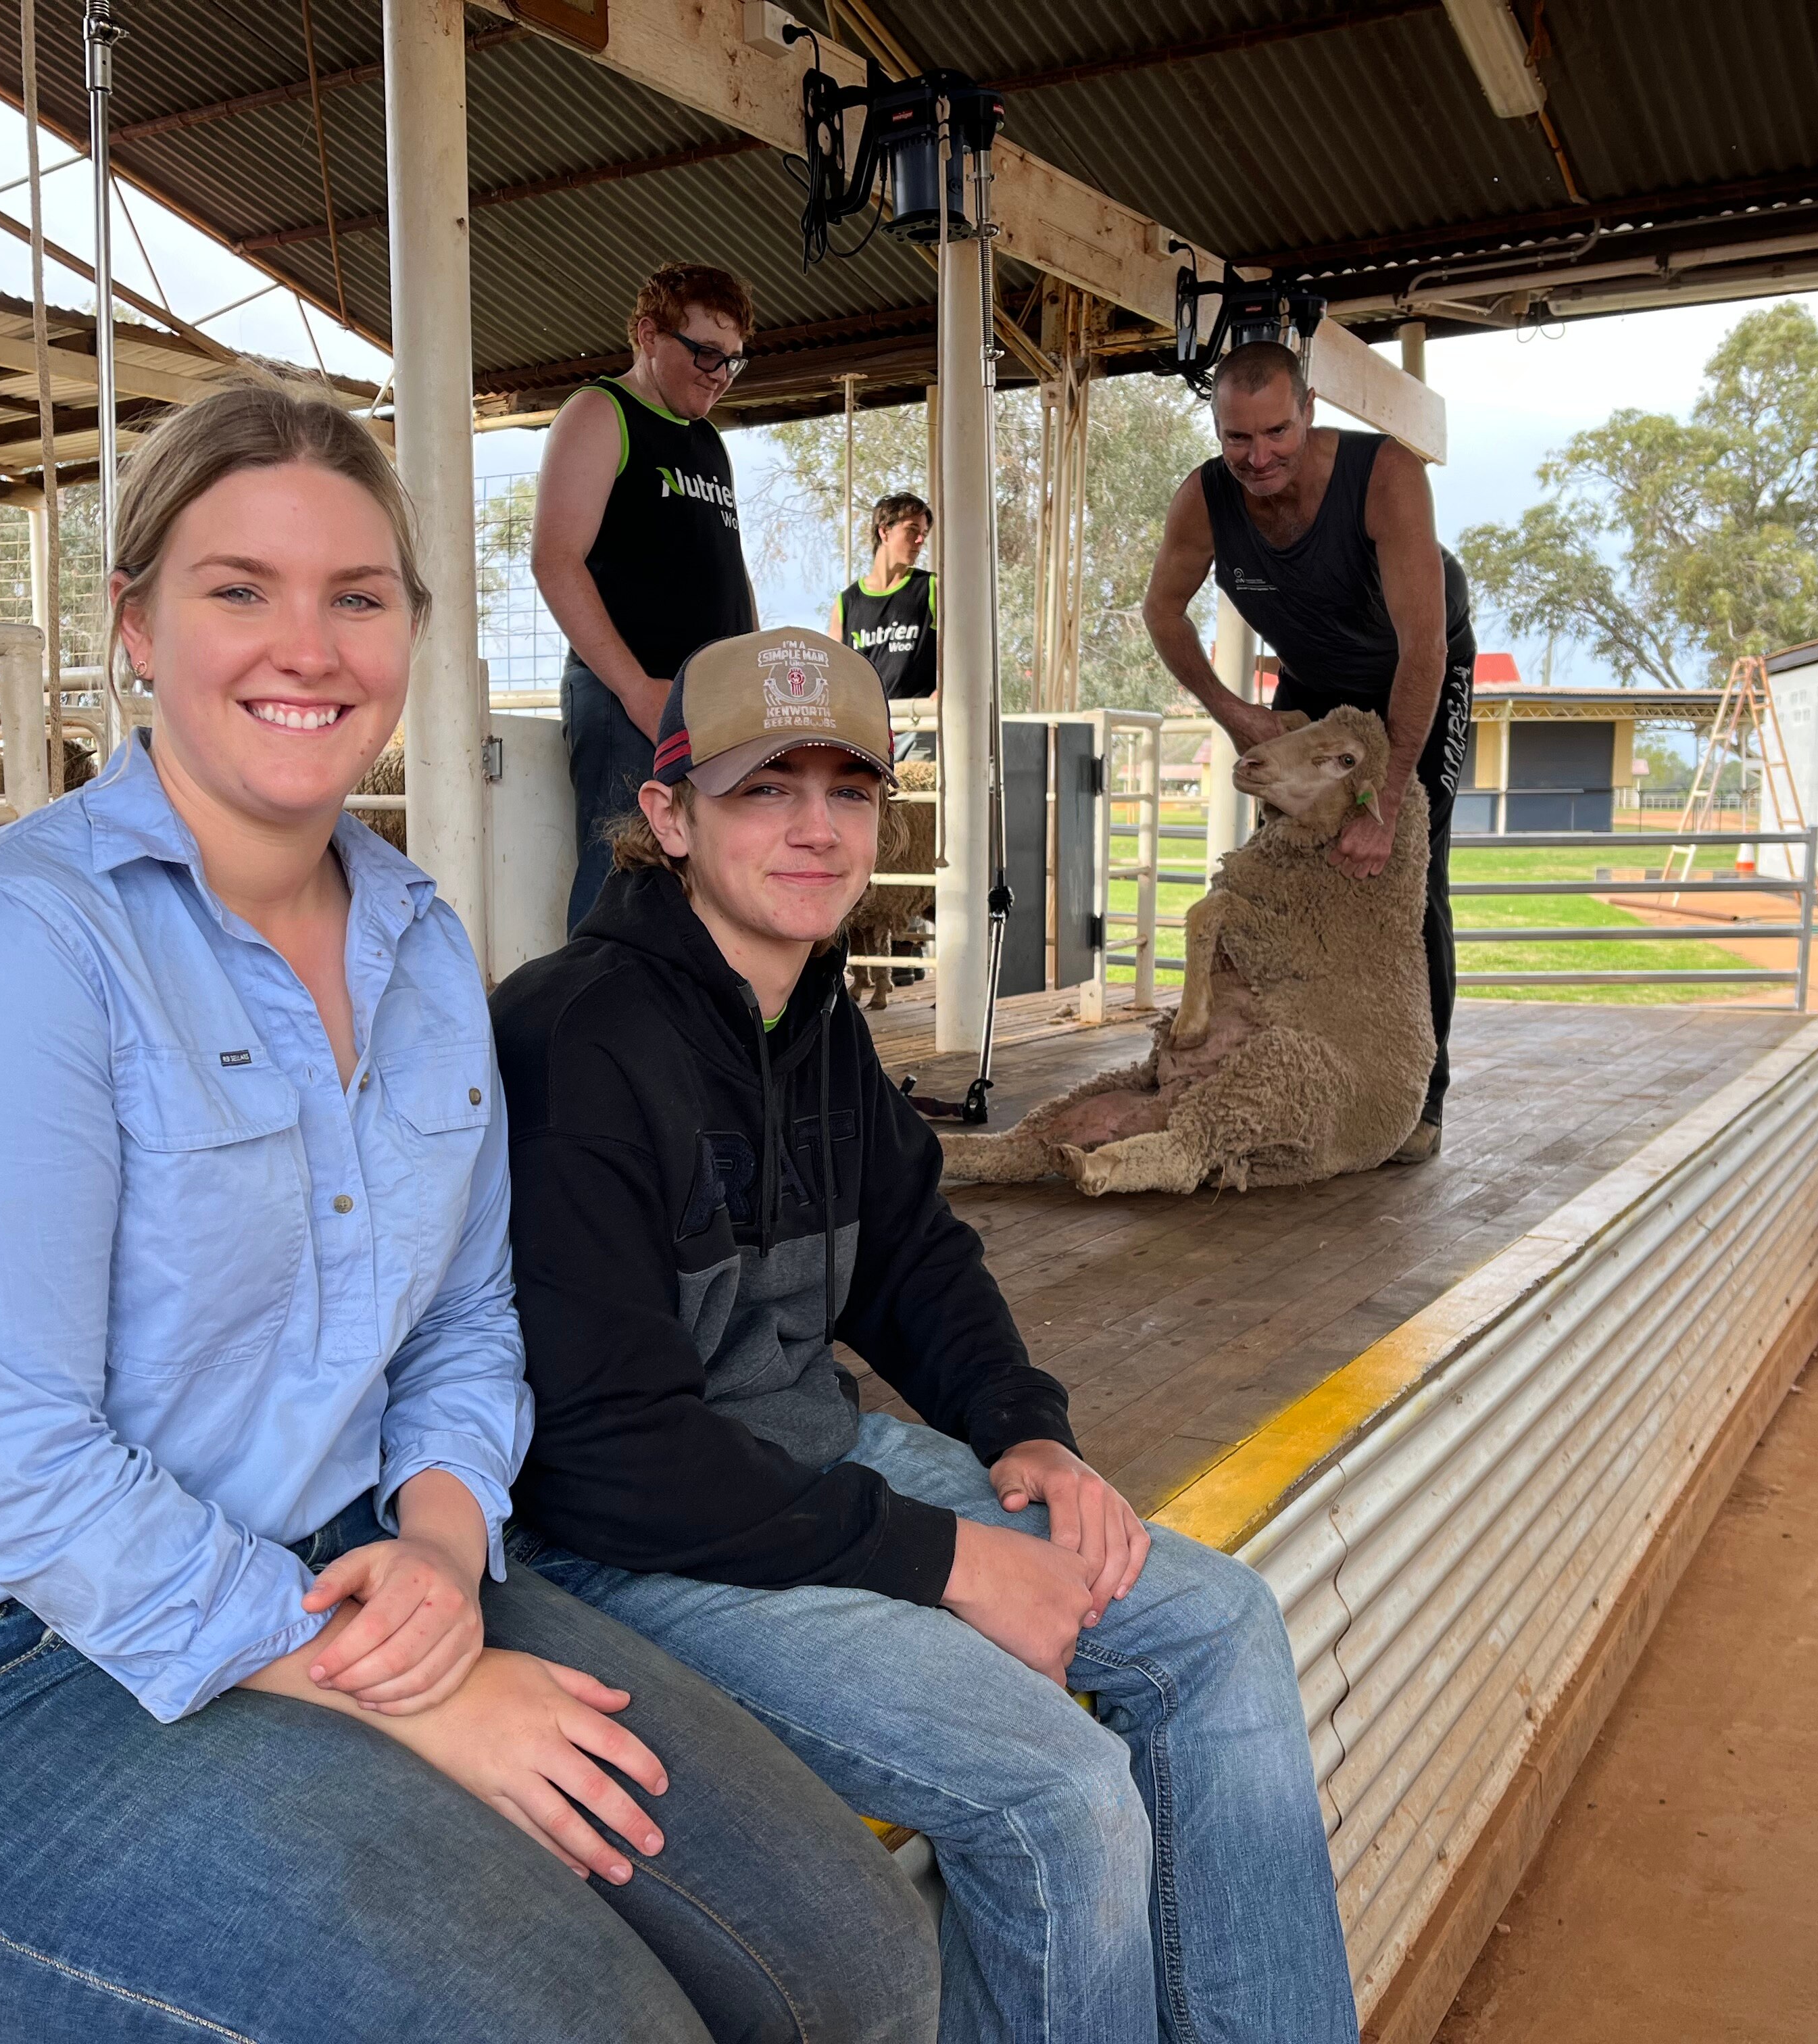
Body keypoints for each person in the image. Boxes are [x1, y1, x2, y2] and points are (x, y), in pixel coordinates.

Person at [0, 387, 937, 2044]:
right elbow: (1, 1447)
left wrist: (439, 1539)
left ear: (411, 631)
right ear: (134, 625)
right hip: (22, 1676)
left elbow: (468, 1324)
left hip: (374, 1571)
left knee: (858, 1962)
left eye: (358, 596)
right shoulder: (3, 954)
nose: (308, 645)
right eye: (237, 588)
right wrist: (407, 1681)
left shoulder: (418, 944)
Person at [485, 625, 1358, 2044]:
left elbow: (915, 1256)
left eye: (849, 788)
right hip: (632, 1551)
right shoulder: (575, 1041)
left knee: (1217, 1626)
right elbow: (604, 1457)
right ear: (668, 815)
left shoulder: (812, 1009)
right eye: (765, 790)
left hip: (817, 1476)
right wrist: (950, 1562)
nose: (816, 829)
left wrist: (1028, 1433)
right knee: (1057, 1797)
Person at [1139, 341, 1474, 1164]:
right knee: (1277, 868)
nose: (1259, 457)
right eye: (1237, 439)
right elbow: (1163, 613)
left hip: (1417, 671)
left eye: (1277, 433)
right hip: (1313, 681)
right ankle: (1266, 1055)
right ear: (1218, 431)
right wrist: (1232, 712)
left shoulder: (1386, 474)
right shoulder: (1206, 498)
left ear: (1311, 409)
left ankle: (1417, 1101)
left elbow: (1423, 648)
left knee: (1407, 876)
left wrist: (1384, 803)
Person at [533, 261, 758, 929]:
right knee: (620, 885)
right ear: (648, 335)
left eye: (733, 361)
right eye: (705, 352)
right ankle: (582, 1030)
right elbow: (555, 558)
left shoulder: (710, 442)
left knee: (701, 886)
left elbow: (729, 570)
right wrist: (636, 689)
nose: (719, 373)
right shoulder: (602, 410)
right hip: (626, 697)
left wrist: (744, 681)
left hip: (703, 706)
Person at [837, 491, 937, 755]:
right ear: (884, 531)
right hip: (868, 733)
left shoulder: (932, 587)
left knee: (915, 797)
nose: (919, 540)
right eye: (912, 530)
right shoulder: (848, 602)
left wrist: (946, 687)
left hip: (920, 728)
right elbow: (835, 674)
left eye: (924, 534)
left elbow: (964, 649)